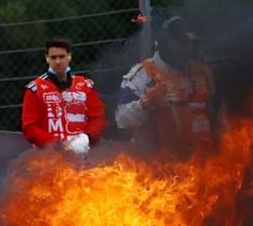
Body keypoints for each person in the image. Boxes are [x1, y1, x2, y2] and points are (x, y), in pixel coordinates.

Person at [114, 16, 217, 156]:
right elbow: (122, 120)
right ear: (162, 42)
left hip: (207, 166)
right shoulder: (142, 74)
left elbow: (217, 115)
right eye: (179, 41)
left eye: (188, 41)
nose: (186, 46)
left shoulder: (203, 72)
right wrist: (146, 102)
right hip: (159, 170)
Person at [21, 37, 107, 156]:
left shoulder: (85, 86)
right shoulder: (35, 89)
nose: (58, 61)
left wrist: (86, 139)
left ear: (69, 56)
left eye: (61, 56)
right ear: (47, 58)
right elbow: (30, 128)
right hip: (49, 159)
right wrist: (57, 144)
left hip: (83, 157)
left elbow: (98, 118)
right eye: (53, 57)